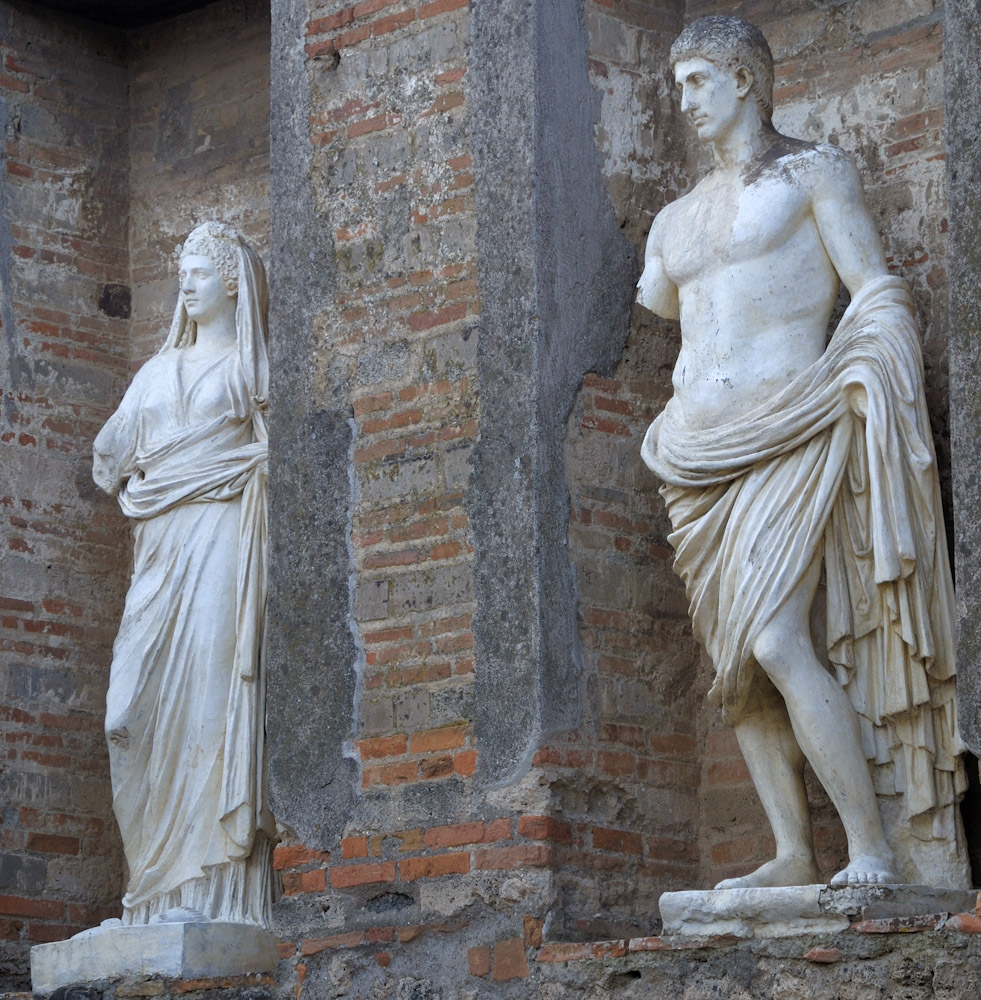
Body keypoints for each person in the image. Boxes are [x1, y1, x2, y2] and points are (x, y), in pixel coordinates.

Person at [638, 16, 966, 888]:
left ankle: (870, 848)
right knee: (734, 669)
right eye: (679, 86)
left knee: (778, 637)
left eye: (698, 81)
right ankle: (790, 852)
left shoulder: (810, 172)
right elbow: (663, 307)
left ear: (745, 79)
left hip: (789, 424)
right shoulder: (673, 219)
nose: (685, 102)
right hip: (693, 456)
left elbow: (873, 291)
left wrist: (866, 367)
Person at [93, 222, 275, 925]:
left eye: (198, 273)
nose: (186, 286)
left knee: (209, 694)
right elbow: (108, 462)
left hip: (224, 538)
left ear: (232, 281)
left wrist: (250, 466)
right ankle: (150, 887)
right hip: (160, 547)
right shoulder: (152, 374)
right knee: (127, 711)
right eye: (182, 274)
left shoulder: (251, 370)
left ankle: (210, 891)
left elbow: (280, 456)